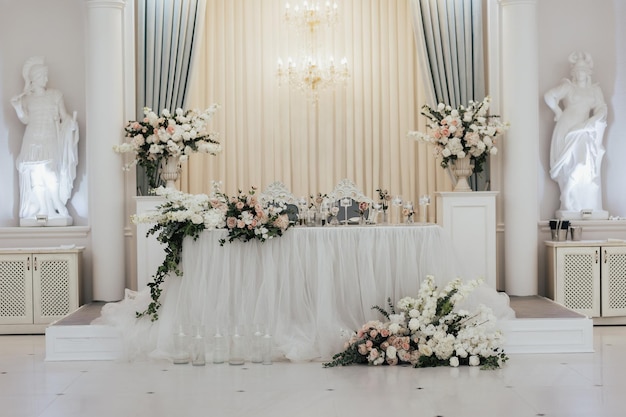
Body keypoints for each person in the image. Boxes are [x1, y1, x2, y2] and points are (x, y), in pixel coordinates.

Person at [11, 57, 79, 226]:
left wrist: (71, 123)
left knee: (50, 172)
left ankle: (56, 204)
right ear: (35, 78)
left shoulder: (55, 95)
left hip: (49, 136)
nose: (46, 79)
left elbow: (65, 117)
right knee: (35, 174)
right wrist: (18, 107)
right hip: (32, 137)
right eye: (43, 76)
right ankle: (43, 209)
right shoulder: (27, 98)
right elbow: (25, 120)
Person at [544, 52, 608, 217]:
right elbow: (549, 96)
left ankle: (581, 203)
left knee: (584, 165)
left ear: (588, 73)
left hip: (584, 131)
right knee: (569, 166)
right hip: (567, 129)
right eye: (578, 70)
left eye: (584, 70)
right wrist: (558, 111)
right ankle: (568, 203)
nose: (581, 73)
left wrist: (593, 119)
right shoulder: (568, 87)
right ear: (574, 73)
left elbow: (602, 108)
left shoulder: (595, 90)